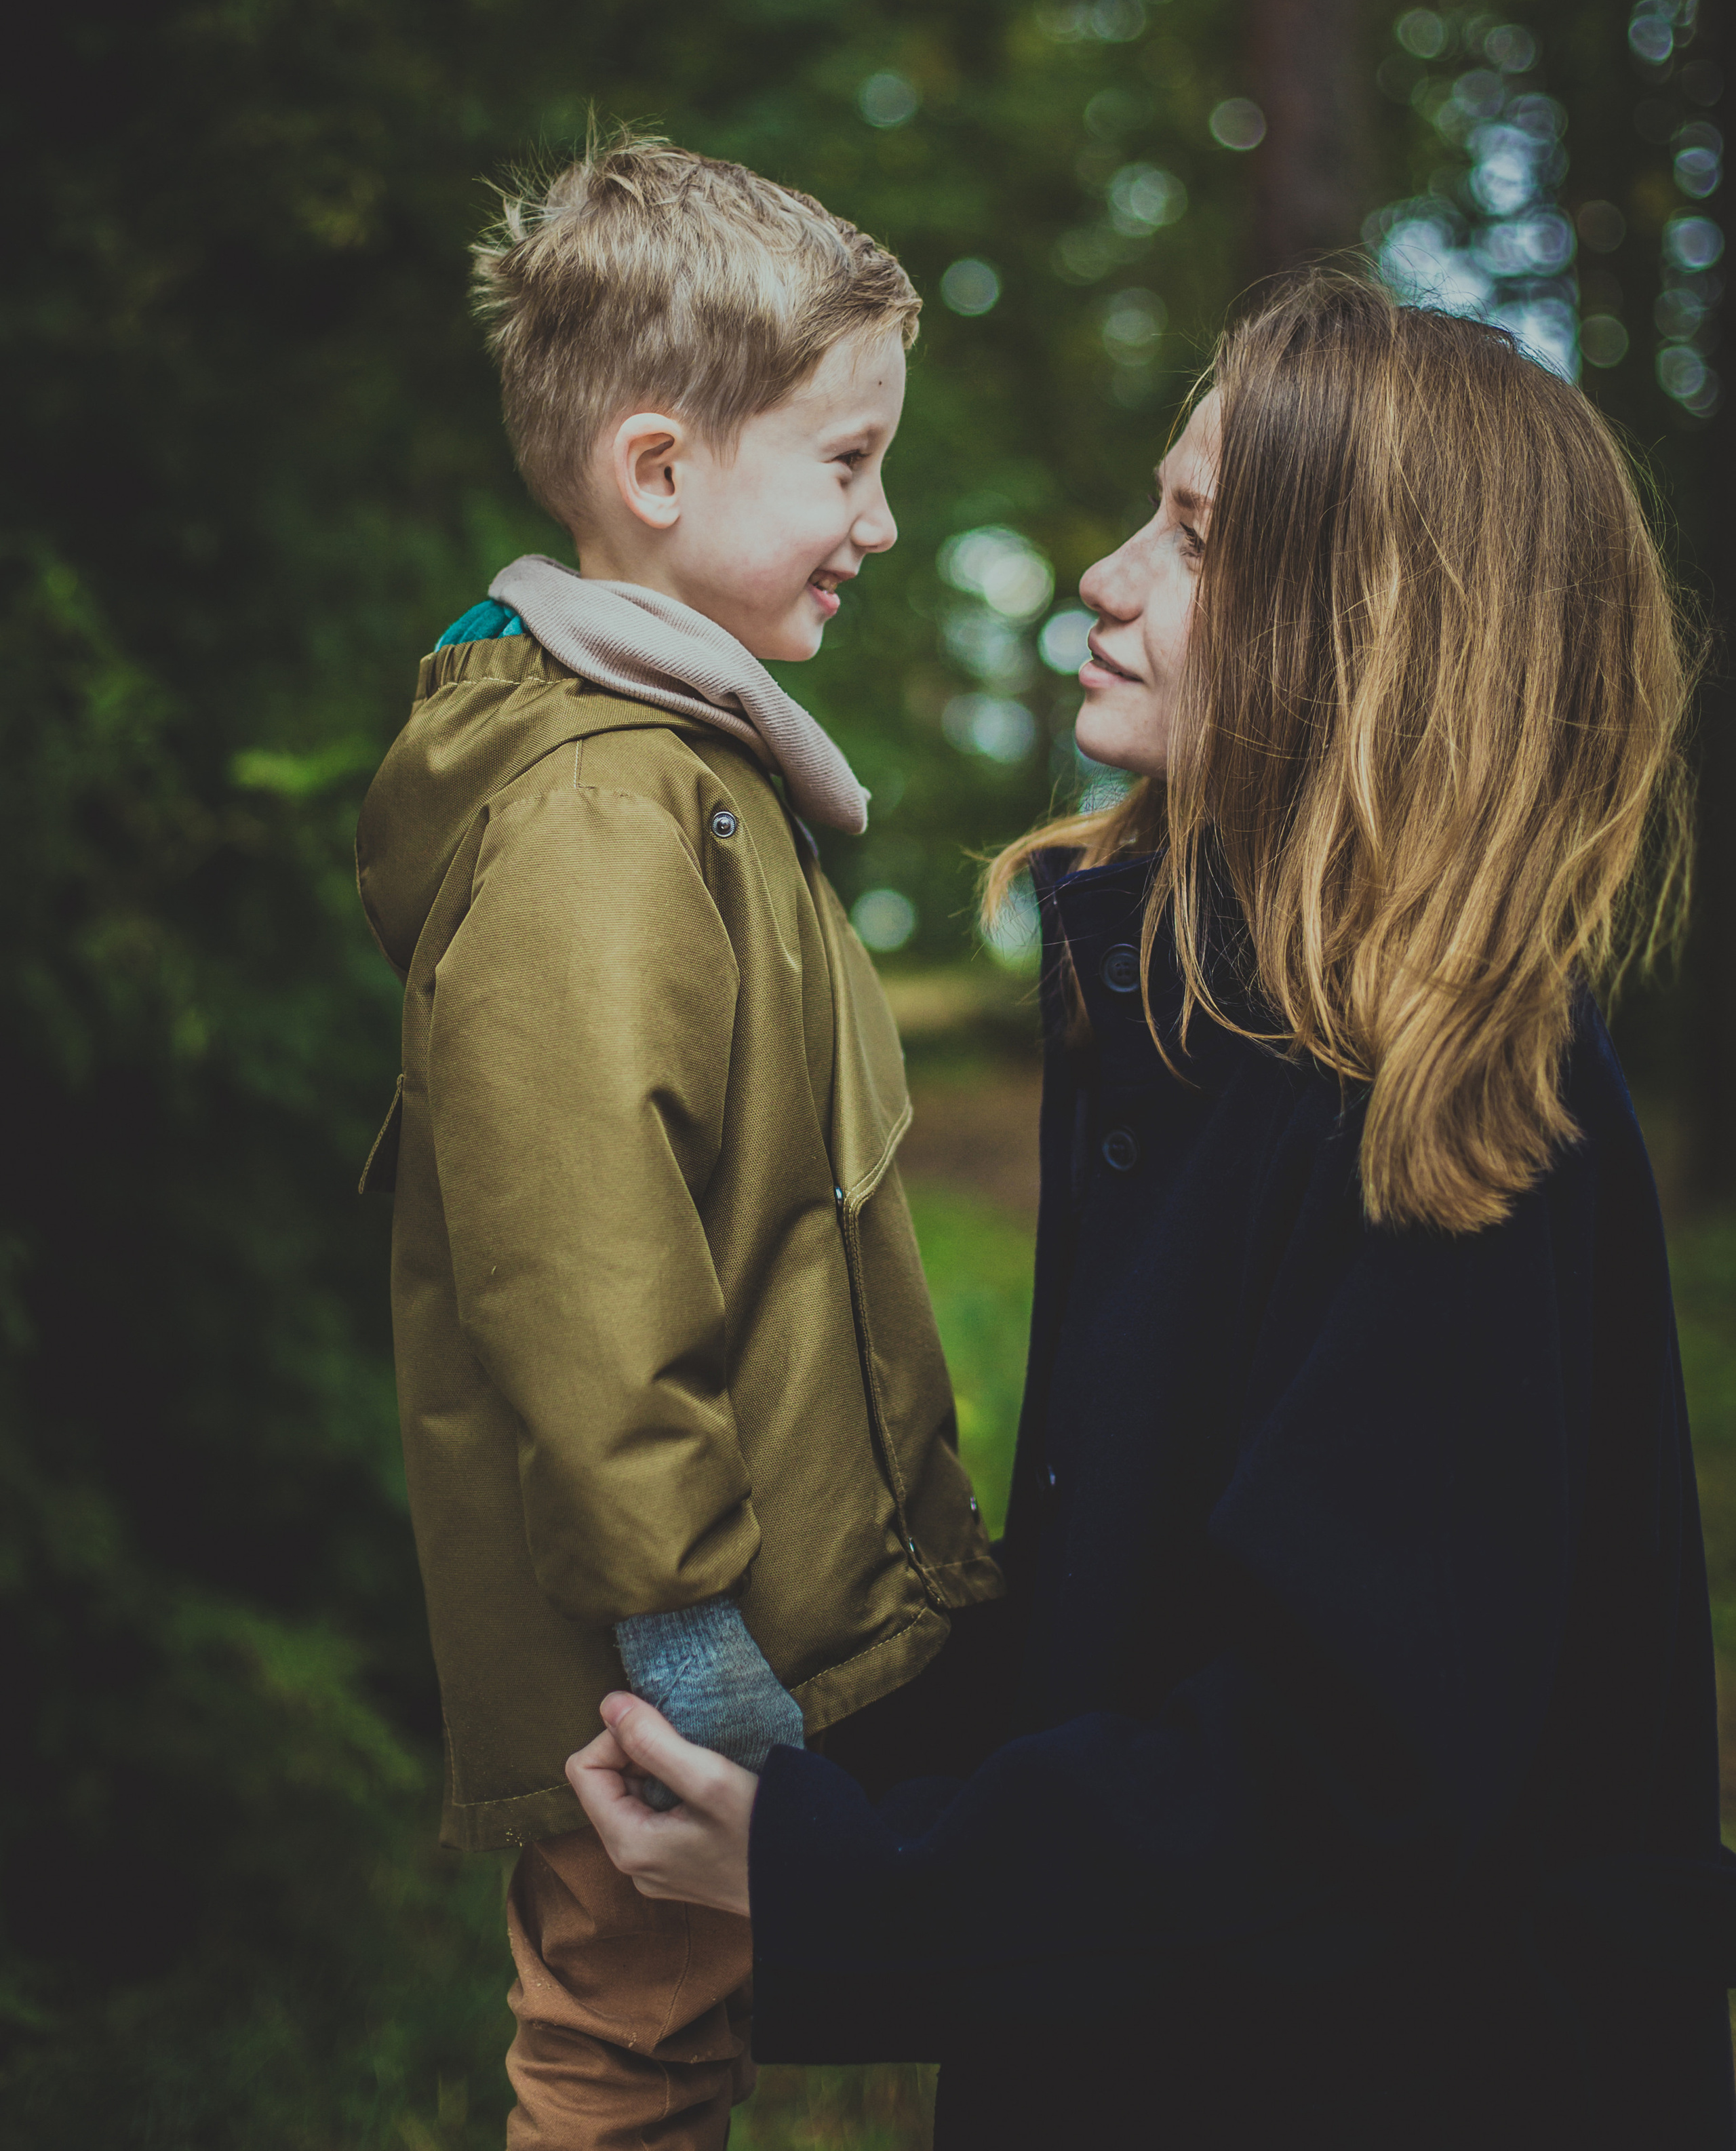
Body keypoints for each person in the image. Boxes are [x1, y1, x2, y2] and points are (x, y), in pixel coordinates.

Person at [568, 273, 1736, 2149]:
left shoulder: (1454, 1092)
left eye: (1189, 535)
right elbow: (1146, 1630)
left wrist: (837, 1877)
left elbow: (1340, 1786)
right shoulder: (1219, 1018)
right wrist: (825, 1749)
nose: (1103, 581)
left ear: (1368, 632)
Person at [354, 132, 1000, 2148]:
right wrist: (686, 1626)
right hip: (668, 1662)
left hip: (742, 1612)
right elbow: (577, 1251)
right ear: (658, 471)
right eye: (844, 463)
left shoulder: (686, 773)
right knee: (626, 2062)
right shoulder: (597, 805)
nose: (882, 521)